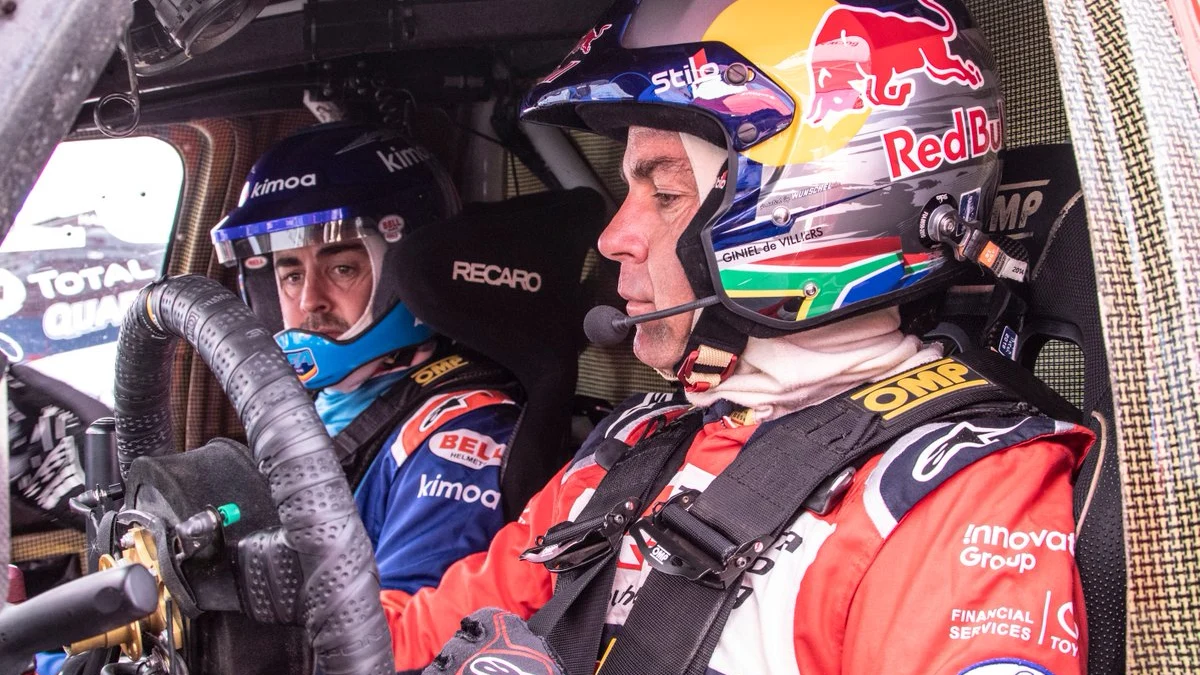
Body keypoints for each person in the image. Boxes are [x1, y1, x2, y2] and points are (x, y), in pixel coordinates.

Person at [378, 1, 1095, 672]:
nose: (614, 235)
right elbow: (417, 636)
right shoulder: (637, 444)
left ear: (815, 202)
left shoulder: (951, 492)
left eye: (663, 194)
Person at [210, 123, 522, 595]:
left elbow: (403, 645)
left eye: (341, 268)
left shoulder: (454, 438)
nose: (310, 300)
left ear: (409, 271)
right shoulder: (309, 411)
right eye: (290, 275)